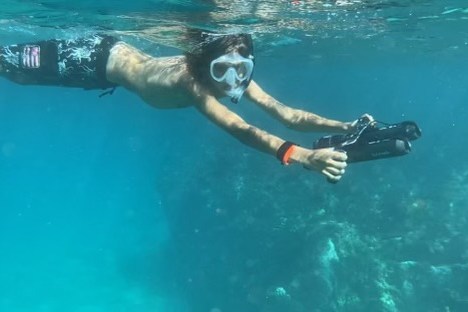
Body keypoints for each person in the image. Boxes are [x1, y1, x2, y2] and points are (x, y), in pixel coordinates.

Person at [0, 32, 371, 182]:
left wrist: (346, 125)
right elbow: (241, 129)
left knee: (18, 75)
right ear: (203, 66)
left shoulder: (235, 76)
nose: (231, 80)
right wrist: (302, 156)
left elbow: (286, 113)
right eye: (221, 70)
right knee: (14, 70)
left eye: (241, 70)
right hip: (89, 59)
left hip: (104, 70)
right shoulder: (192, 84)